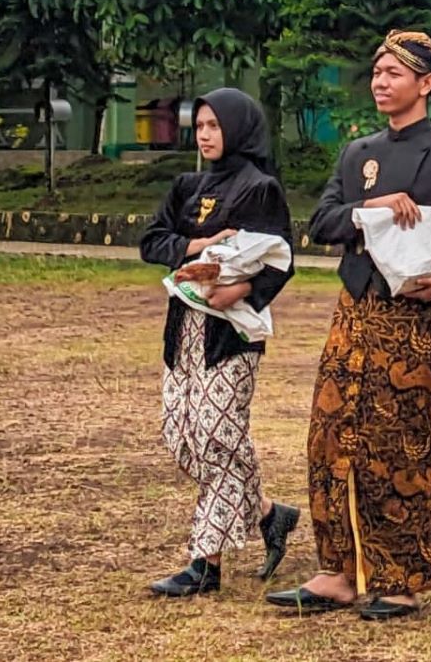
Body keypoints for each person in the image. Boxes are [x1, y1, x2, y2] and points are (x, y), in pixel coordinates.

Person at [267, 30, 431, 619]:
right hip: (353, 312)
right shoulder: (357, 153)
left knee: (395, 443)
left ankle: (399, 576)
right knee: (329, 437)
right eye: (377, 72)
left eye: (394, 74)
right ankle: (336, 570)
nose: (381, 82)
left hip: (410, 320)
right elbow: (323, 221)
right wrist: (370, 207)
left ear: (425, 84)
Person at [140, 88, 298, 598]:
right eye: (200, 126)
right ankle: (270, 514)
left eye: (214, 125)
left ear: (238, 127)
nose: (205, 135)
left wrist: (242, 288)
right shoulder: (187, 185)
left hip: (229, 333)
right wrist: (198, 245)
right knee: (183, 436)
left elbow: (280, 255)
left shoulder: (260, 188)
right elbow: (152, 241)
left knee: (218, 436)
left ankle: (203, 563)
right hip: (182, 326)